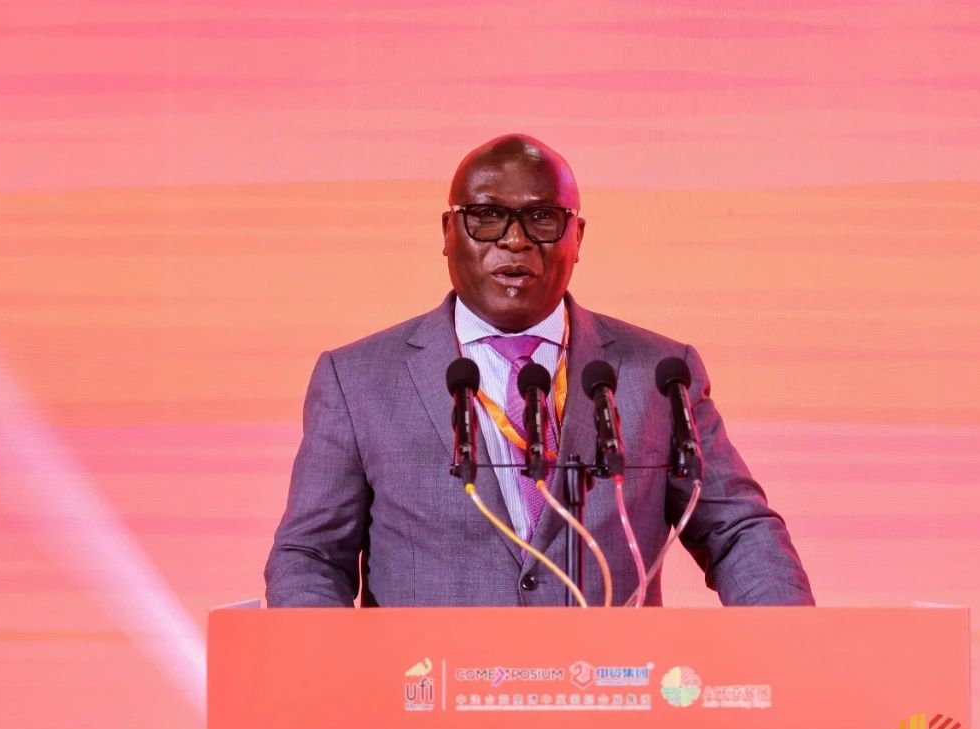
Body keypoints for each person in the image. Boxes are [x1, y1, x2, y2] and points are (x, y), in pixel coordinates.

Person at [264, 134, 813, 607]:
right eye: (486, 216)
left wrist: (788, 651)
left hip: (609, 689)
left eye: (543, 218)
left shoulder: (659, 375)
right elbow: (311, 556)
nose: (514, 239)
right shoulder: (358, 380)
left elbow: (738, 531)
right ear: (448, 232)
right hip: (428, 692)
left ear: (578, 237)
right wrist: (330, 678)